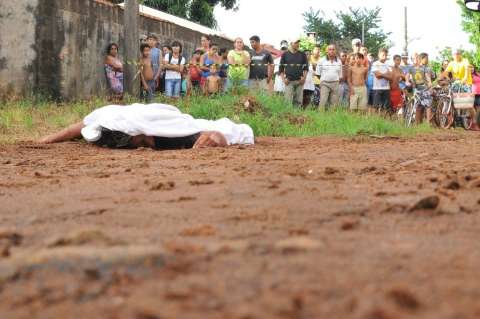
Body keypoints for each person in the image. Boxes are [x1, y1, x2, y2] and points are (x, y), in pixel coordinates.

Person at [38, 103, 255, 149]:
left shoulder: (173, 131)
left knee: (215, 134)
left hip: (165, 126)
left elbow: (216, 135)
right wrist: (46, 140)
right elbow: (73, 129)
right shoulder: (103, 115)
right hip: (142, 127)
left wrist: (215, 141)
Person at [279, 38, 308, 106]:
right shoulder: (285, 54)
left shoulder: (302, 54)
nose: (297, 44)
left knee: (298, 102)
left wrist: (304, 78)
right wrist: (284, 80)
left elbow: (306, 68)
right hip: (289, 81)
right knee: (287, 101)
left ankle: (297, 115)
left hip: (299, 81)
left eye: (298, 42)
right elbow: (281, 68)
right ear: (291, 43)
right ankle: (288, 115)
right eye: (295, 43)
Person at [316, 44, 342, 110]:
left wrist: (336, 80)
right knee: (323, 101)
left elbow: (340, 75)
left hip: (335, 83)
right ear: (327, 51)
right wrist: (324, 79)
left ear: (335, 51)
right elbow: (318, 74)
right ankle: (320, 116)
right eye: (330, 49)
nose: (332, 51)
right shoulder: (321, 60)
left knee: (334, 102)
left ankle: (331, 116)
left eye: (333, 49)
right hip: (325, 83)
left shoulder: (339, 61)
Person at [411, 53, 433, 124]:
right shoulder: (427, 68)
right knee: (428, 106)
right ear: (422, 59)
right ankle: (427, 123)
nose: (427, 60)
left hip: (418, 89)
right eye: (426, 58)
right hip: (425, 89)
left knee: (418, 106)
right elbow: (430, 77)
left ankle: (418, 123)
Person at [371, 48, 392, 113]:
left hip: (386, 88)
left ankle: (383, 121)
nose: (385, 57)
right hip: (377, 88)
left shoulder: (388, 64)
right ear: (379, 55)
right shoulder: (375, 64)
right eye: (383, 55)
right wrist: (386, 74)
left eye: (386, 55)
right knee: (376, 107)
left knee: (386, 107)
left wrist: (382, 74)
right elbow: (377, 76)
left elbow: (391, 77)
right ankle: (375, 120)